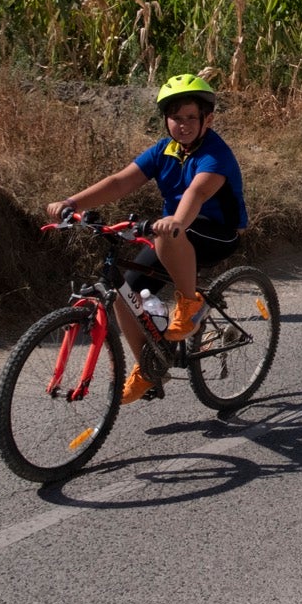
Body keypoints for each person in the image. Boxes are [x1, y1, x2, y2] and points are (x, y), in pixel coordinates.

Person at [46, 74, 248, 404]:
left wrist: (174, 223)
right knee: (124, 292)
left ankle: (189, 300)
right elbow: (119, 182)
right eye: (175, 118)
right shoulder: (164, 150)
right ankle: (150, 368)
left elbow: (195, 195)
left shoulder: (215, 155)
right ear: (166, 120)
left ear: (207, 120)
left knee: (165, 234)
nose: (182, 125)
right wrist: (72, 203)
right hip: (173, 235)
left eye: (190, 118)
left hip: (216, 234)